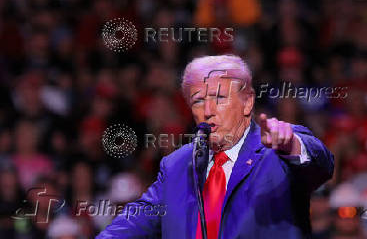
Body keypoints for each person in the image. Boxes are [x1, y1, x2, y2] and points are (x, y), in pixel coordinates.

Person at [97, 54, 334, 238]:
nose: (208, 111)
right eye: (198, 101)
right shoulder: (177, 165)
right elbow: (133, 222)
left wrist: (292, 145)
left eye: (219, 98)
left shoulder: (277, 151)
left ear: (247, 102)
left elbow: (322, 164)